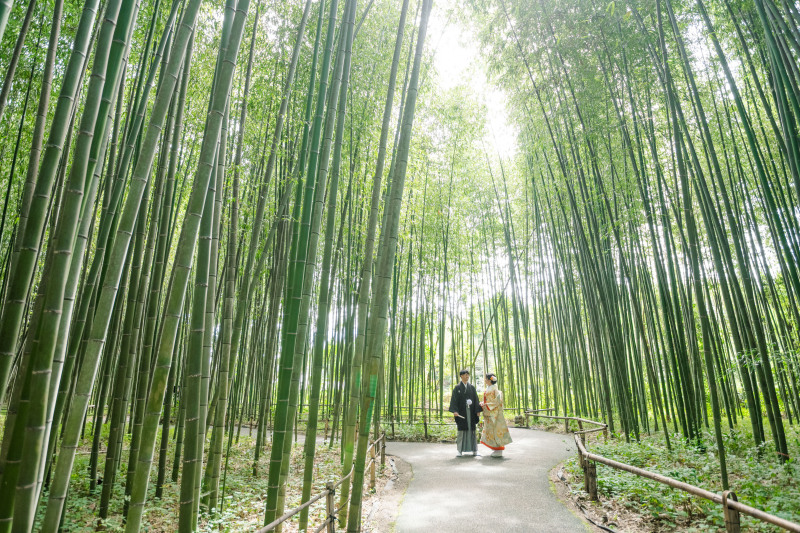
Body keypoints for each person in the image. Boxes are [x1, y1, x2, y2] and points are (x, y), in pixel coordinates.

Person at [448, 369, 482, 456]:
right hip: (462, 412)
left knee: (472, 430)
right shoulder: (457, 388)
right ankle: (459, 450)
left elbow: (476, 399)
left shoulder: (472, 387)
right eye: (465, 374)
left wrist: (478, 411)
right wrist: (454, 411)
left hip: (471, 412)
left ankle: (474, 450)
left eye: (468, 374)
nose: (467, 376)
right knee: (461, 431)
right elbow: (454, 400)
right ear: (461, 376)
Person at [480, 373, 512, 457]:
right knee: (490, 431)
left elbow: (498, 401)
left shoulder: (496, 390)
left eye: (486, 379)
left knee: (495, 431)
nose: (485, 380)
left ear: (490, 380)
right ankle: (495, 449)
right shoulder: (489, 388)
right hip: (489, 413)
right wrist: (484, 403)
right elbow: (488, 400)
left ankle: (498, 450)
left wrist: (486, 404)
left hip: (494, 413)